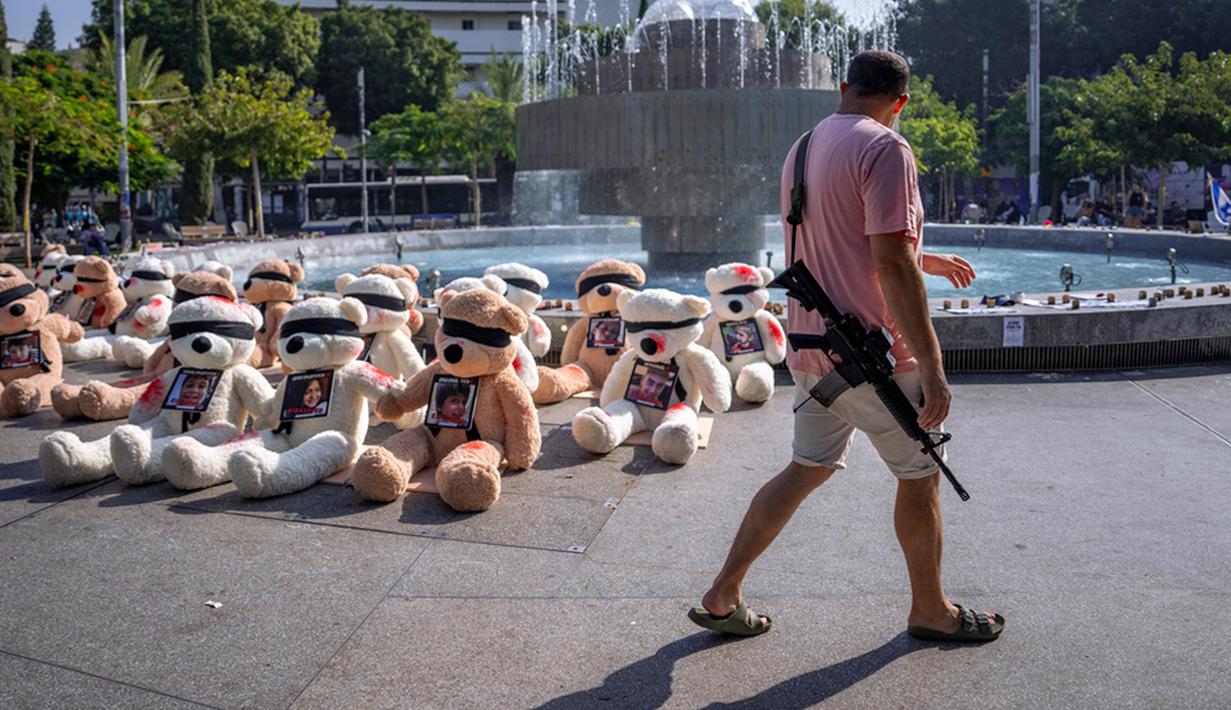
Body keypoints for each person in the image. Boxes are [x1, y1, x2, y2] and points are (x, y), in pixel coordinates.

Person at [689, 50, 1003, 642]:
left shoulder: (804, 146)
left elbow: (838, 239)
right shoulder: (888, 148)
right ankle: (931, 610)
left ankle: (723, 592)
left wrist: (921, 257)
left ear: (843, 88)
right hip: (874, 357)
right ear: (901, 102)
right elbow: (887, 261)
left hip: (811, 348)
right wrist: (931, 365)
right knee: (919, 477)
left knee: (806, 468)